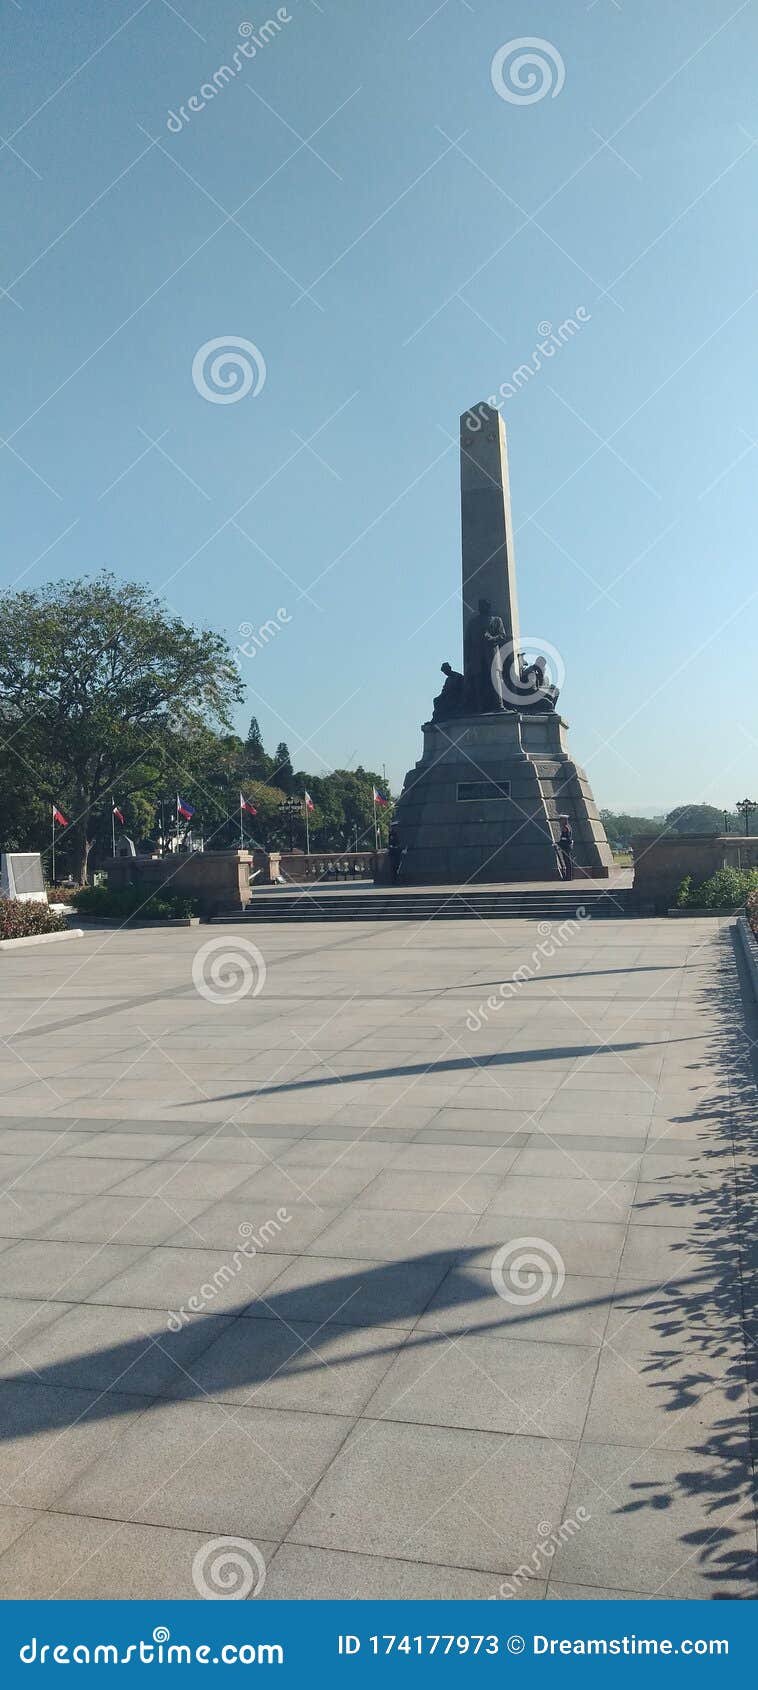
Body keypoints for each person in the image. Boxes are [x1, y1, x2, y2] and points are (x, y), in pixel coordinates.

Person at [558, 816, 574, 881]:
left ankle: (568, 877)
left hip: (566, 847)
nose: (560, 821)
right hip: (567, 846)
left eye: (561, 820)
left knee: (567, 862)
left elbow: (566, 838)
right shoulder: (568, 827)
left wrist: (559, 843)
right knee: (567, 862)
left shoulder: (565, 828)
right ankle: (568, 876)